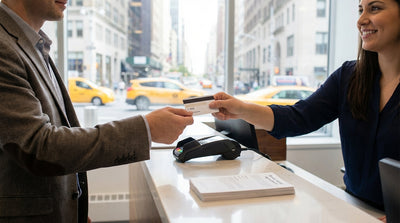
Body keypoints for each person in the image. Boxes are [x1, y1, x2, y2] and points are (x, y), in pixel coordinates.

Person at [0, 1, 193, 222]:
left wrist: (75, 209)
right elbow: (39, 147)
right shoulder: (4, 46)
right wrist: (146, 128)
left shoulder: (33, 42)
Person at [210, 0, 399, 220]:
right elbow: (298, 118)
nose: (361, 20)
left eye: (375, 8)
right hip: (352, 210)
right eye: (360, 9)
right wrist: (241, 109)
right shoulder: (348, 77)